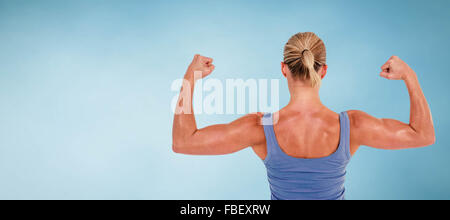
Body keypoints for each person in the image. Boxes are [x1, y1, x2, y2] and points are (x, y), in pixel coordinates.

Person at [171, 32, 435, 200]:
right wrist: (409, 75)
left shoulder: (260, 127)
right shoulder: (353, 126)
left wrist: (189, 77)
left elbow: (184, 142)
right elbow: (422, 135)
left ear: (284, 69)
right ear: (323, 71)